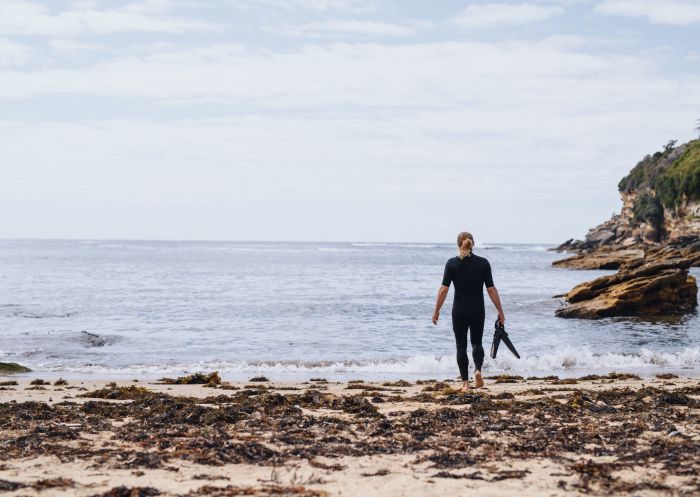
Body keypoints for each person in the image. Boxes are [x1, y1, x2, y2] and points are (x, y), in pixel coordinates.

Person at [432, 232, 505, 391]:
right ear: (473, 244)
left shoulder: (451, 264)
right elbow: (491, 290)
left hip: (459, 310)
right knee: (477, 343)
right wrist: (500, 311)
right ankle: (478, 371)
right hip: (477, 309)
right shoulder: (483, 263)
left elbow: (444, 289)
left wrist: (436, 310)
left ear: (459, 245)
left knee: (461, 346)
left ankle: (465, 384)